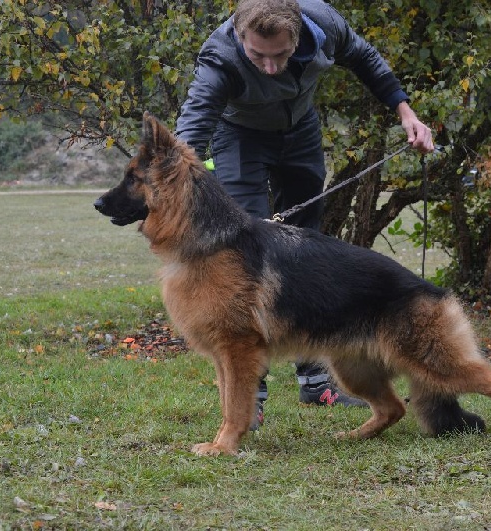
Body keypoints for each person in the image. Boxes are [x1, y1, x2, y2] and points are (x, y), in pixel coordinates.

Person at [175, 0, 435, 429]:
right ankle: (250, 398)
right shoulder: (218, 58)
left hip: (299, 131)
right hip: (240, 138)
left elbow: (366, 58)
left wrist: (407, 113)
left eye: (281, 54)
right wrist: (182, 185)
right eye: (258, 56)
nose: (272, 67)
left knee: (302, 250)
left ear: (297, 37)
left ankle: (315, 378)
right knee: (245, 256)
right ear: (240, 38)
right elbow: (193, 128)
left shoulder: (325, 23)